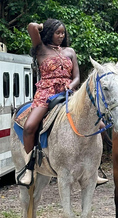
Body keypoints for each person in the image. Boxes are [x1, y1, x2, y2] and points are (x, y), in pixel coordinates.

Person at [18, 19, 80, 186]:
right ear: (49, 32)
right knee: (30, 126)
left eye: (63, 33)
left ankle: (94, 169)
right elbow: (31, 26)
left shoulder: (70, 51)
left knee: (99, 123)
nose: (61, 36)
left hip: (68, 93)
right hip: (46, 93)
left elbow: (77, 77)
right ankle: (29, 168)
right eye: (57, 32)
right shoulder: (41, 48)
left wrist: (71, 85)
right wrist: (45, 26)